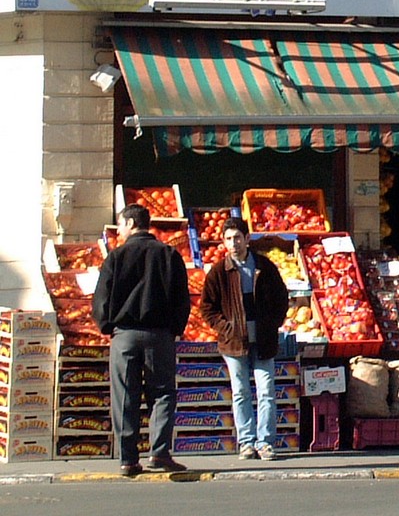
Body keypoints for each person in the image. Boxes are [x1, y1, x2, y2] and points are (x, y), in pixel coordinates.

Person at [92, 203, 192, 476]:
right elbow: (182, 298)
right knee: (162, 393)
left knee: (125, 395)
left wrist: (107, 326)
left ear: (132, 224)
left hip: (124, 335)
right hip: (160, 334)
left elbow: (100, 299)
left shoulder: (116, 257)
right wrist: (175, 328)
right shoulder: (169, 255)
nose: (120, 230)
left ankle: (128, 459)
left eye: (121, 224)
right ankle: (159, 452)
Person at [201, 216, 290, 461]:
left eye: (237, 238)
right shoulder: (219, 272)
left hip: (263, 340)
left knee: (266, 391)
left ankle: (265, 442)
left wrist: (273, 323)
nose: (234, 243)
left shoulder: (264, 266)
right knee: (240, 392)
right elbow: (207, 307)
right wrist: (225, 328)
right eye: (228, 239)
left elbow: (282, 297)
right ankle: (246, 442)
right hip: (234, 343)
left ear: (247, 239)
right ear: (223, 242)